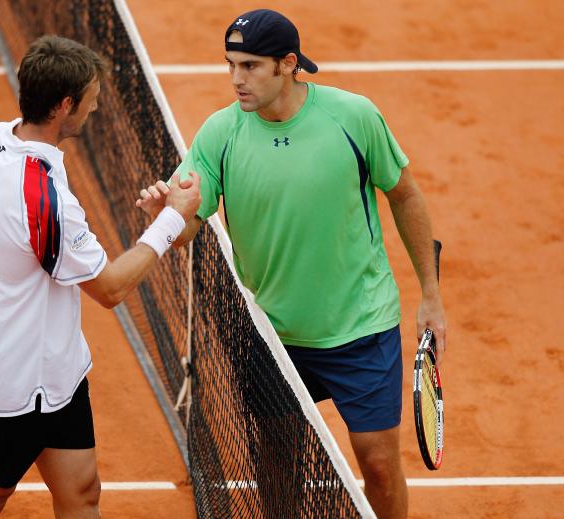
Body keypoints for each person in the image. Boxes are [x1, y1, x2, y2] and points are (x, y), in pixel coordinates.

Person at [136, 9, 446, 519]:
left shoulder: (353, 117)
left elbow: (406, 195)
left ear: (288, 64)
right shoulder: (220, 134)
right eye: (231, 64)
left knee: (381, 467)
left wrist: (431, 296)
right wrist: (167, 216)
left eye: (251, 66)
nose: (237, 78)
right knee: (278, 465)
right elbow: (189, 221)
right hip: (271, 336)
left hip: (360, 327)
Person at [0, 35, 201, 519]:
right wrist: (172, 220)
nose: (95, 107)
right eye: (91, 98)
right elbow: (111, 288)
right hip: (12, 387)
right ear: (65, 105)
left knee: (82, 493)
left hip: (57, 375)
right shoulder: (45, 202)